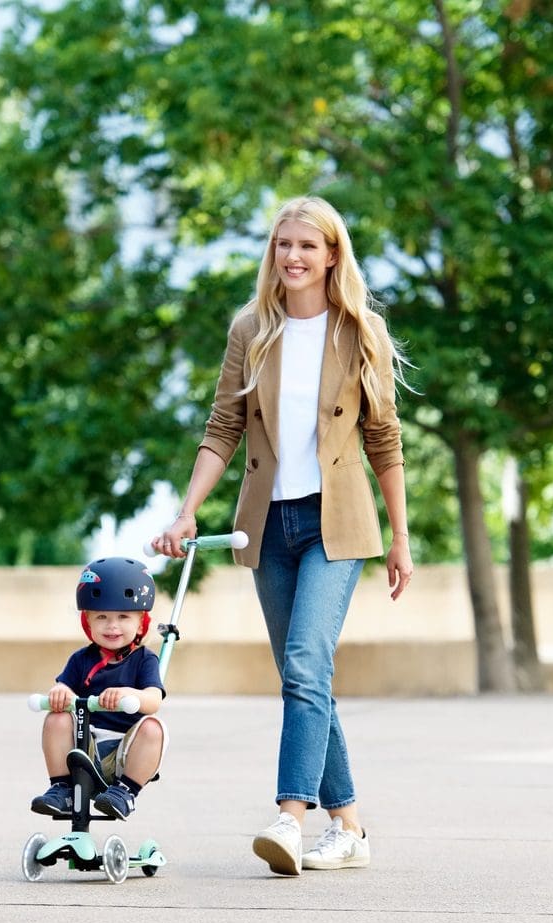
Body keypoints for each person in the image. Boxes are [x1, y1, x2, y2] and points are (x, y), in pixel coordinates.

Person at [153, 195, 413, 876]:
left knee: (304, 665)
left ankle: (290, 819)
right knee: (308, 679)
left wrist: (401, 538)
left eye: (307, 246)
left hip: (339, 525)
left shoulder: (361, 332)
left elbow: (385, 440)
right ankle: (351, 828)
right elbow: (222, 430)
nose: (292, 257)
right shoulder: (252, 330)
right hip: (267, 526)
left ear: (333, 255)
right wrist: (188, 511)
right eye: (282, 245)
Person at [30, 557, 167, 821]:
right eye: (101, 616)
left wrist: (131, 694)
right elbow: (63, 688)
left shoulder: (144, 659)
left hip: (125, 751)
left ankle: (125, 792)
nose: (112, 625)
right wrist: (61, 694)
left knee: (154, 728)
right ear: (88, 622)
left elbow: (154, 699)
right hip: (83, 744)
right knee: (56, 717)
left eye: (123, 616)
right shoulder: (81, 659)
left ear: (140, 623)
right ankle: (62, 788)